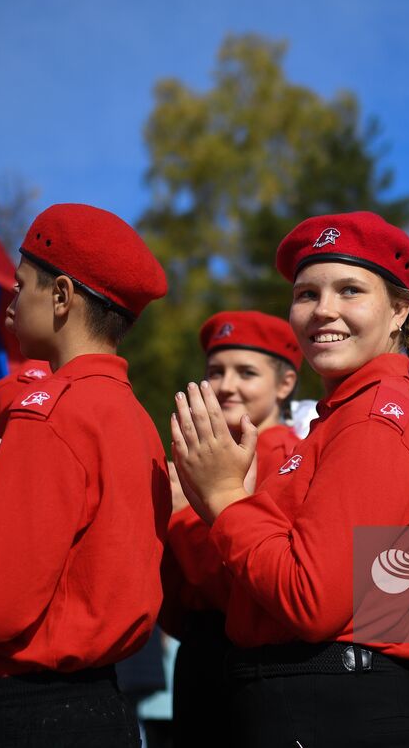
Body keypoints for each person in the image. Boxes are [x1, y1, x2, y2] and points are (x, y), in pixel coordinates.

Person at [170, 211, 409, 748]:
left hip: (332, 704)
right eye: (306, 294)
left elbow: (310, 600)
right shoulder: (346, 416)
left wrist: (223, 496)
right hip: (312, 699)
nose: (323, 309)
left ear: (399, 310)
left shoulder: (374, 419)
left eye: (350, 290)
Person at [0, 203, 171, 748]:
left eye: (22, 285)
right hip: (100, 701)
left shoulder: (51, 410)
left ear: (62, 296)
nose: (14, 299)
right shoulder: (135, 417)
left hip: (34, 710)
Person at [161, 310, 302, 748]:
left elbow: (241, 577)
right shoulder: (201, 452)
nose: (226, 385)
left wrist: (181, 513)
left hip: (247, 654)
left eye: (246, 372)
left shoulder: (285, 455)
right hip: (201, 649)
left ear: (285, 384)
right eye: (215, 372)